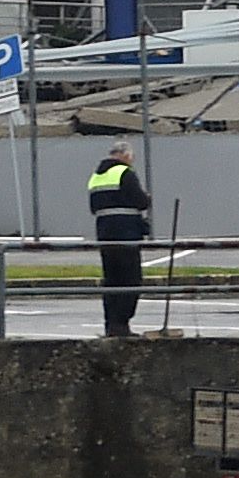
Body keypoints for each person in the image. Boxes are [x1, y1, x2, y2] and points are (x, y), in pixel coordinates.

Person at [86, 143, 151, 336]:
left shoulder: (96, 176)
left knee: (112, 280)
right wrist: (147, 199)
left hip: (105, 233)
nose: (132, 161)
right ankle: (122, 324)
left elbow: (93, 208)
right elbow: (140, 201)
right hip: (126, 233)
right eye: (131, 157)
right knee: (131, 279)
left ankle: (112, 325)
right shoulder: (125, 173)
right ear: (123, 155)